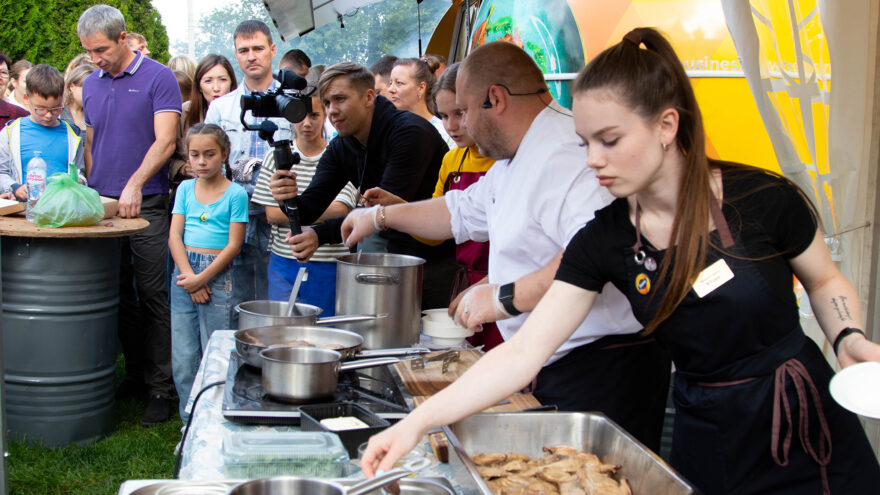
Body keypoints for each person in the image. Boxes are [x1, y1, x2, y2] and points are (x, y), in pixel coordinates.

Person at [360, 29, 880, 494]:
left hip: (805, 418)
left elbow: (825, 278)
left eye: (610, 141)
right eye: (586, 142)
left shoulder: (761, 197)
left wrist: (848, 337)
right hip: (707, 431)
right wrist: (415, 423)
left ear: (666, 126)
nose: (592, 161)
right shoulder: (604, 239)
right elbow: (523, 354)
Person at [342, 41, 669, 448]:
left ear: (494, 99)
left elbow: (591, 253)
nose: (457, 126)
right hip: (546, 357)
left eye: (462, 112)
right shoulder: (514, 155)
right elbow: (459, 212)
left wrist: (505, 295)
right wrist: (378, 216)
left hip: (604, 364)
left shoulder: (568, 154)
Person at [268, 62, 455, 309]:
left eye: (340, 99)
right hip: (394, 261)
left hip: (436, 264)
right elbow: (308, 210)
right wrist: (285, 196)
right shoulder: (342, 146)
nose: (332, 111)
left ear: (368, 97)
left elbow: (383, 216)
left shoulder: (410, 133)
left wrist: (320, 234)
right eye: (327, 103)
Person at [79, 3, 182, 425]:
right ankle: (136, 376)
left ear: (124, 38)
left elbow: (166, 141)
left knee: (154, 295)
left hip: (149, 203)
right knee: (118, 295)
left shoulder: (159, 78)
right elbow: (91, 142)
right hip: (102, 209)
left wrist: (134, 185)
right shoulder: (90, 83)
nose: (95, 59)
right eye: (88, 51)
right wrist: (87, 188)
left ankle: (162, 388)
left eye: (101, 49)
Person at [362, 62, 502, 349]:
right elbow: (438, 229)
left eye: (460, 114)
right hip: (462, 283)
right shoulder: (452, 160)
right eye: (444, 115)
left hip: (501, 282)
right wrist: (398, 209)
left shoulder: (502, 161)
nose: (451, 126)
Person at [205, 19, 293, 305]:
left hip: (280, 213)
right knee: (237, 295)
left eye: (258, 48)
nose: (251, 56)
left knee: (278, 295)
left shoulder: (292, 103)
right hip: (237, 214)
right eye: (243, 50)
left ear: (272, 50)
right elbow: (212, 168)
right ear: (236, 54)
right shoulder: (221, 107)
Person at [252, 89, 356, 313]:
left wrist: (294, 211)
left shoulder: (340, 152)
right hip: (284, 260)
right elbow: (271, 214)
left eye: (315, 115)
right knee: (283, 328)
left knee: (326, 330)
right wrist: (317, 211)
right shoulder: (277, 155)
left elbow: (341, 209)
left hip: (329, 261)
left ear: (325, 116)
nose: (307, 123)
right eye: (300, 116)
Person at [169, 123, 247, 421]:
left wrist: (202, 279)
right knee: (184, 355)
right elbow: (175, 236)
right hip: (184, 273)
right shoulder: (185, 189)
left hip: (217, 276)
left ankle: (214, 419)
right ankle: (189, 423)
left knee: (215, 351)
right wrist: (190, 278)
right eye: (194, 155)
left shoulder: (235, 194)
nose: (201, 162)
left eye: (210, 154)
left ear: (224, 154)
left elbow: (233, 245)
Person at [0, 64, 87, 196]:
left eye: (56, 108)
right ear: (26, 99)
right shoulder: (10, 133)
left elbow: (80, 171)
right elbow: (2, 172)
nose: (48, 115)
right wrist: (15, 188)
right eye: (41, 109)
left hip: (62, 208)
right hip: (24, 210)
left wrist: (79, 181)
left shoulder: (73, 135)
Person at [387, 58, 451, 145]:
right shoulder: (389, 130)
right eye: (390, 83)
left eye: (399, 83)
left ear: (421, 88)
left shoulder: (445, 132)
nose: (390, 89)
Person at [182, 54, 237, 133]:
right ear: (199, 86)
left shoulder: (242, 111)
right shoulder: (185, 112)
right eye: (208, 81)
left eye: (222, 79)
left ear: (231, 83)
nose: (216, 88)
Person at [61, 64, 96, 133]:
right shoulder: (59, 114)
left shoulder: (95, 114)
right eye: (86, 89)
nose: (90, 95)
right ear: (72, 87)